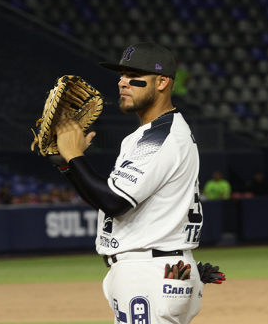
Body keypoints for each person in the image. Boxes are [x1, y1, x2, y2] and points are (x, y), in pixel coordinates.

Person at [51, 42, 206, 324]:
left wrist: (74, 155)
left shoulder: (160, 137)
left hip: (149, 270)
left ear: (162, 82)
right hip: (157, 266)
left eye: (134, 75)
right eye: (121, 75)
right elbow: (107, 201)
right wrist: (67, 165)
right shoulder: (152, 133)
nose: (122, 82)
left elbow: (115, 202)